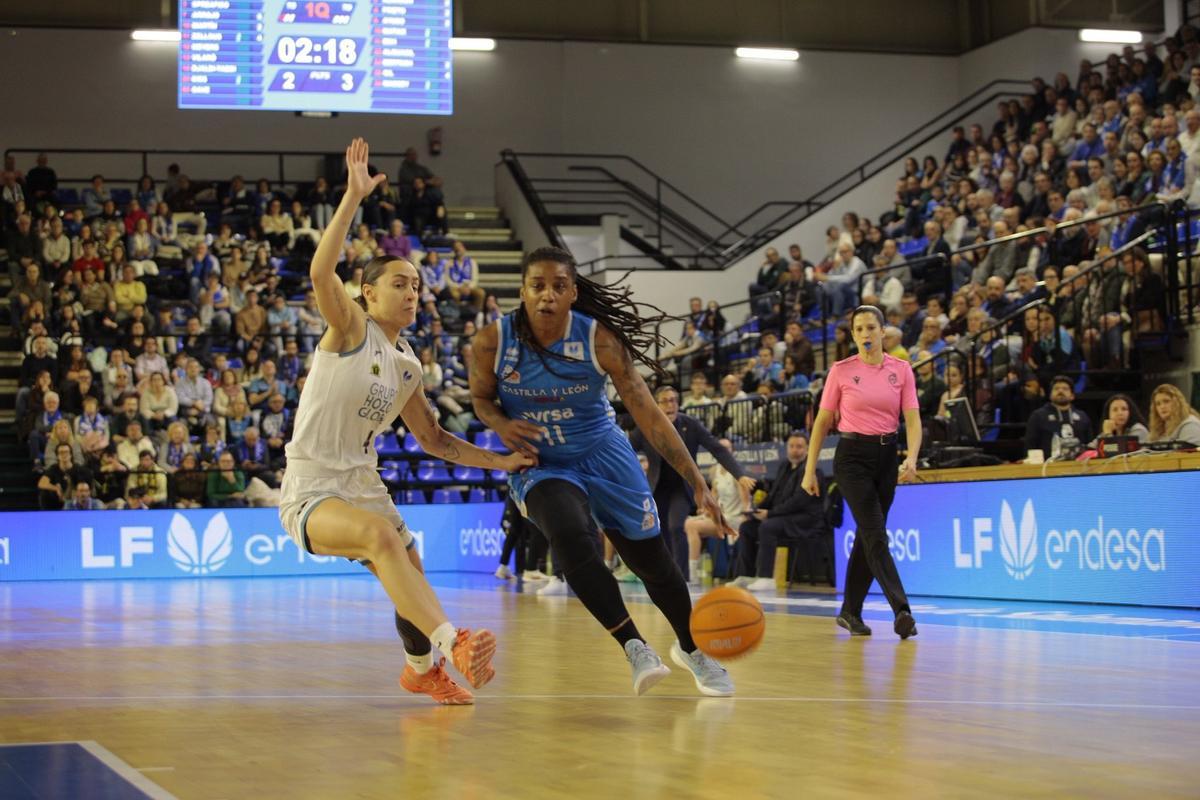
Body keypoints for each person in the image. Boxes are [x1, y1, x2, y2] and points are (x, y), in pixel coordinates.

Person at [277, 138, 530, 706]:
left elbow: (435, 440)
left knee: (410, 567)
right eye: (399, 283)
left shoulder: (409, 363)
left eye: (416, 284)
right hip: (312, 487)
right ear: (366, 294)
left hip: (363, 484)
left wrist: (501, 461)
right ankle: (453, 640)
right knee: (377, 538)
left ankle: (421, 670)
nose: (412, 290)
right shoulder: (349, 329)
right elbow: (322, 272)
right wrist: (351, 197)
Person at [470, 245, 736, 697]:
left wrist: (697, 482)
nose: (547, 296)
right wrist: (500, 423)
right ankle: (634, 645)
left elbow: (650, 415)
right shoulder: (491, 342)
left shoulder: (599, 341)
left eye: (558, 286)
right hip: (542, 462)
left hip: (604, 454)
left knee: (654, 566)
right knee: (569, 535)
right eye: (537, 286)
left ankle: (691, 648)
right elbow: (480, 400)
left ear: (573, 292)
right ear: (522, 291)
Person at [804, 305, 921, 640]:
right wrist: (809, 470)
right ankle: (901, 610)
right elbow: (823, 423)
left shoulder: (901, 370)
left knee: (869, 536)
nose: (866, 334)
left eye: (871, 327)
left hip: (887, 456)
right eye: (859, 329)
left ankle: (850, 612)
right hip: (851, 457)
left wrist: (911, 458)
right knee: (876, 533)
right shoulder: (841, 371)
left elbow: (912, 419)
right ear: (853, 335)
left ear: (883, 331)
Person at [629, 385, 755, 576]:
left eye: (673, 400)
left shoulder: (691, 425)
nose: (670, 405)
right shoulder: (646, 427)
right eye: (665, 401)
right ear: (656, 405)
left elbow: (717, 449)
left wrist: (739, 474)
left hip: (682, 486)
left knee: (676, 526)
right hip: (657, 486)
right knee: (659, 531)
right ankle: (666, 574)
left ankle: (682, 576)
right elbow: (625, 451)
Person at [733, 431, 827, 591]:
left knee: (768, 526)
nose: (794, 450)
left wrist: (769, 514)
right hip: (782, 517)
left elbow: (798, 502)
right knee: (747, 527)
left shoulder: (814, 471)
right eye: (791, 446)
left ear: (807, 449)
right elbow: (773, 494)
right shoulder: (784, 466)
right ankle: (746, 575)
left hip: (805, 520)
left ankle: (766, 578)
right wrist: (755, 511)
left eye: (799, 446)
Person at [682, 436, 749, 585]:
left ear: (733, 452)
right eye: (721, 448)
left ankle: (692, 575)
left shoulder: (738, 473)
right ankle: (690, 569)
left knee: (692, 526)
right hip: (720, 515)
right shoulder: (715, 471)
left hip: (734, 518)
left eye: (727, 448)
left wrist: (745, 520)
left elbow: (746, 503)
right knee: (686, 521)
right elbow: (713, 497)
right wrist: (705, 511)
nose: (724, 451)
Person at [1024, 375, 1093, 460]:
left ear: (1072, 396)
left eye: (1065, 389)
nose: (1060, 391)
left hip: (1079, 466)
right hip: (1047, 467)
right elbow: (1030, 446)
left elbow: (1090, 446)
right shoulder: (1038, 416)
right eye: (1056, 388)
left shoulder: (1083, 417)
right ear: (1050, 395)